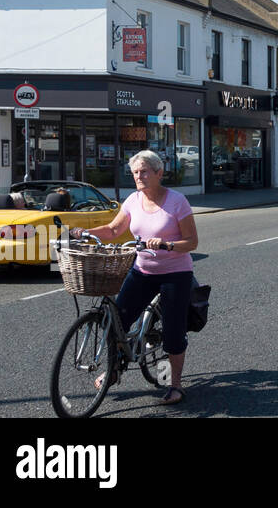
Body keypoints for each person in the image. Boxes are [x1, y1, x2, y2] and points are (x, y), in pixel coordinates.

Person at [84, 149, 199, 405]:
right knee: (116, 322)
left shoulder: (177, 201)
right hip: (142, 271)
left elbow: (192, 242)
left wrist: (167, 245)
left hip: (175, 273)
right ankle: (114, 370)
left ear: (159, 173)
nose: (139, 176)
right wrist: (82, 231)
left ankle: (176, 386)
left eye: (144, 171)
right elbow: (114, 229)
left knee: (173, 332)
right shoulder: (133, 201)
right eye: (135, 172)